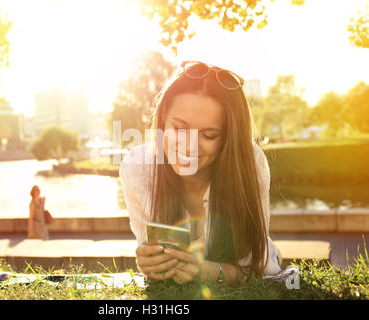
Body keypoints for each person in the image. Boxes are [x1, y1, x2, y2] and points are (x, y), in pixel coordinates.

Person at [119, 60, 282, 286]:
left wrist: (213, 272)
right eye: (179, 128)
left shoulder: (249, 161)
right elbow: (146, 246)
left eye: (208, 135)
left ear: (227, 139)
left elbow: (258, 268)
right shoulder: (137, 167)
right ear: (163, 119)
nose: (188, 146)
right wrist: (149, 262)